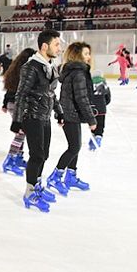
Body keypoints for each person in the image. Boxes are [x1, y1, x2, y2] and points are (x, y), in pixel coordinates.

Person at [12, 29, 63, 213]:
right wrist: (17, 120)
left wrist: (59, 111)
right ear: (44, 46)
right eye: (56, 44)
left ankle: (38, 185)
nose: (59, 48)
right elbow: (21, 94)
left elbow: (50, 93)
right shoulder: (31, 66)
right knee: (37, 155)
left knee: (45, 154)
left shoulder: (49, 66)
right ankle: (29, 193)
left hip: (45, 116)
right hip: (31, 116)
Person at [47, 42, 97, 198]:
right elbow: (81, 98)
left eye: (89, 53)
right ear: (77, 55)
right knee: (74, 147)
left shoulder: (74, 71)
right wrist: (91, 119)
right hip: (70, 114)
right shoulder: (79, 73)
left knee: (75, 146)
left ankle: (70, 176)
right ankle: (55, 177)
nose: (89, 57)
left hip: (70, 113)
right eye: (86, 53)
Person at [1, 48, 36, 175]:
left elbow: (9, 89)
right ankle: (10, 160)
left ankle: (18, 157)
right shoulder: (26, 70)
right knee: (21, 133)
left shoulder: (16, 68)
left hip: (12, 103)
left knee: (22, 132)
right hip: (18, 105)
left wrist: (5, 104)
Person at [88, 70, 111, 151]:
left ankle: (92, 140)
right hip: (101, 108)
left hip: (91, 108)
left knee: (93, 124)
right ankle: (98, 137)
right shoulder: (104, 84)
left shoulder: (89, 83)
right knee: (100, 125)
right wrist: (105, 103)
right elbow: (108, 97)